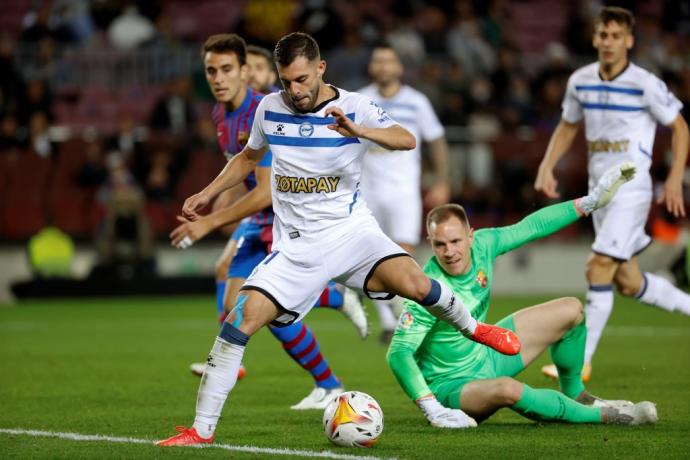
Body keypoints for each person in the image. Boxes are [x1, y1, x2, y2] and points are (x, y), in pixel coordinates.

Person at [157, 31, 519, 446]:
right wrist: (207, 194)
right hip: (297, 246)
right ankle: (201, 432)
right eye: (286, 81)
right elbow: (248, 159)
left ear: (320, 68)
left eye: (302, 79)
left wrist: (359, 130)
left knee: (417, 283)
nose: (295, 90)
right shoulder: (269, 109)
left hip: (353, 233)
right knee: (239, 319)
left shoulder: (355, 105)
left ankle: (476, 329)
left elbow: (407, 139)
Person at [176, 34, 368, 409]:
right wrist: (212, 197)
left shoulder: (259, 111)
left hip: (284, 217)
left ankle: (332, 308)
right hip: (259, 220)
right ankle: (326, 379)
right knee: (238, 300)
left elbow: (264, 191)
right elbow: (242, 169)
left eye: (227, 69)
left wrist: (211, 222)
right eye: (211, 71)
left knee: (267, 305)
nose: (218, 78)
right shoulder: (221, 114)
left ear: (245, 71)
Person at [388, 163, 659, 428]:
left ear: (470, 236)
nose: (449, 252)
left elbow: (531, 226)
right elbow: (398, 353)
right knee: (508, 389)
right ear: (430, 242)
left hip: (486, 356)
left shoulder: (484, 244)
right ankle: (611, 417)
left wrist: (589, 203)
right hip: (454, 389)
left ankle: (577, 396)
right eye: (440, 244)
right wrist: (431, 407)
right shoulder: (426, 290)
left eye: (456, 241)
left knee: (571, 309)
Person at [534, 6, 690, 382]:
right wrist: (546, 165)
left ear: (629, 41)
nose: (608, 42)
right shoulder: (580, 81)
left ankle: (582, 361)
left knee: (597, 266)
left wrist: (672, 179)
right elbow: (569, 126)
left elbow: (681, 128)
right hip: (600, 191)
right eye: (603, 35)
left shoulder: (645, 83)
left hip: (632, 188)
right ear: (594, 38)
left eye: (616, 36)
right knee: (628, 281)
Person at [358, 42, 451, 344]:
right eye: (378, 60)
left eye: (389, 61)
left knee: (402, 254)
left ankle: (398, 315)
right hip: (367, 187)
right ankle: (388, 320)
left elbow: (436, 140)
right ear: (372, 67)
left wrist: (441, 181)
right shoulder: (361, 99)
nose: (383, 66)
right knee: (369, 255)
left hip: (403, 189)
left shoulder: (417, 101)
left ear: (399, 67)